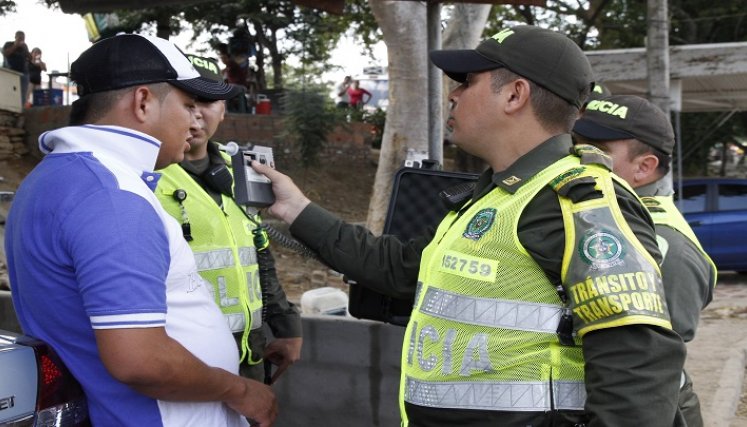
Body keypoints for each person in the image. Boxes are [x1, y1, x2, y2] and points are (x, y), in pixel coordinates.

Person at [251, 25, 686, 426]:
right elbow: (401, 269)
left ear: (514, 95)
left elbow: (639, 365)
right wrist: (297, 209)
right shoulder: (499, 196)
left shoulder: (577, 201)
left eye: (467, 81)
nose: (453, 95)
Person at [5, 34, 276, 427]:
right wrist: (241, 390)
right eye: (187, 104)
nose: (196, 119)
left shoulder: (57, 177)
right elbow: (141, 360)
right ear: (143, 102)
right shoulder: (110, 195)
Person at [156, 54, 302, 386]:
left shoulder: (245, 170)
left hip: (249, 358)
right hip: (184, 362)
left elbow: (259, 252)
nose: (195, 114)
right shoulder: (149, 174)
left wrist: (287, 326)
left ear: (223, 109)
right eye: (186, 102)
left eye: (206, 102)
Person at [573, 94, 717, 427]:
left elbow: (647, 366)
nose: (577, 156)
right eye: (574, 143)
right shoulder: (604, 218)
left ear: (644, 167)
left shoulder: (663, 244)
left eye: (596, 149)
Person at [2, 30, 31, 107]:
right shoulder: (8, 44)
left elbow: (30, 58)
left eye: (23, 39)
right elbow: (6, 53)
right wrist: (15, 45)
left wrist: (26, 50)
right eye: (20, 38)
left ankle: (21, 109)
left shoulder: (24, 47)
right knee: (9, 92)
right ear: (15, 37)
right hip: (11, 73)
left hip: (23, 73)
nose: (21, 40)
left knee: (22, 94)